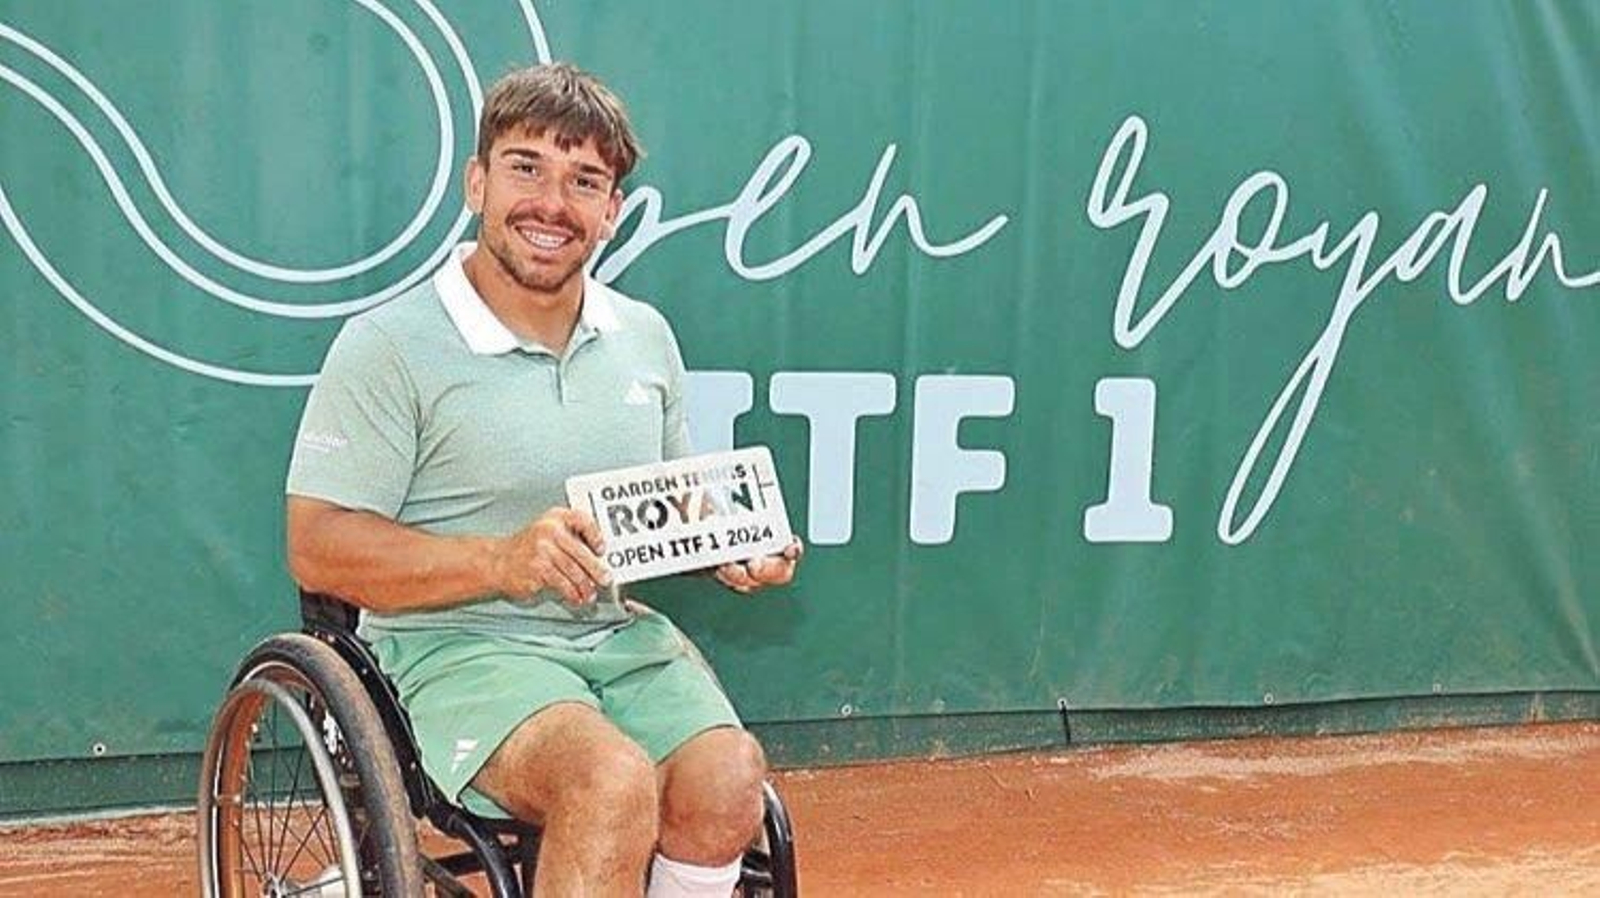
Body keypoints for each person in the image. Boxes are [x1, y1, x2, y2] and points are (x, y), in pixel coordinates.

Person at [284, 61, 801, 898]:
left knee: (730, 777)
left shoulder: (644, 336)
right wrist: (501, 562)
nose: (551, 204)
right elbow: (316, 547)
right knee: (609, 781)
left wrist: (736, 545)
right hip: (451, 647)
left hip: (612, 639)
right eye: (526, 167)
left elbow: (664, 510)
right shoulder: (388, 344)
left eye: (584, 181)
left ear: (611, 213)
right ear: (477, 183)